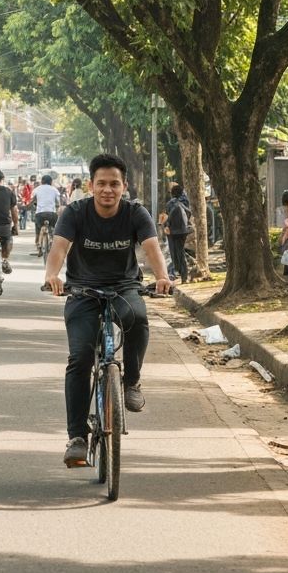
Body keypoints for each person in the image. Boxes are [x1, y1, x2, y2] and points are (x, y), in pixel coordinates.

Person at [43, 153, 173, 468]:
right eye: (101, 183)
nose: (107, 190)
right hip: (82, 291)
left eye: (114, 184)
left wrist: (162, 277)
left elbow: (152, 247)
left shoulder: (135, 213)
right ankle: (77, 437)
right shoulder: (74, 212)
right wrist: (52, 275)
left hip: (124, 288)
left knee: (138, 319)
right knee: (80, 359)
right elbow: (59, 247)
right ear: (91, 185)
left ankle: (132, 382)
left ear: (123, 186)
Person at [164, 183, 191, 284]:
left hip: (172, 232)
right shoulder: (185, 201)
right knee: (180, 252)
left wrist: (165, 226)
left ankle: (178, 272)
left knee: (173, 253)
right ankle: (184, 276)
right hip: (183, 231)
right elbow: (189, 213)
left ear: (172, 193)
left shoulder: (170, 203)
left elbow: (166, 217)